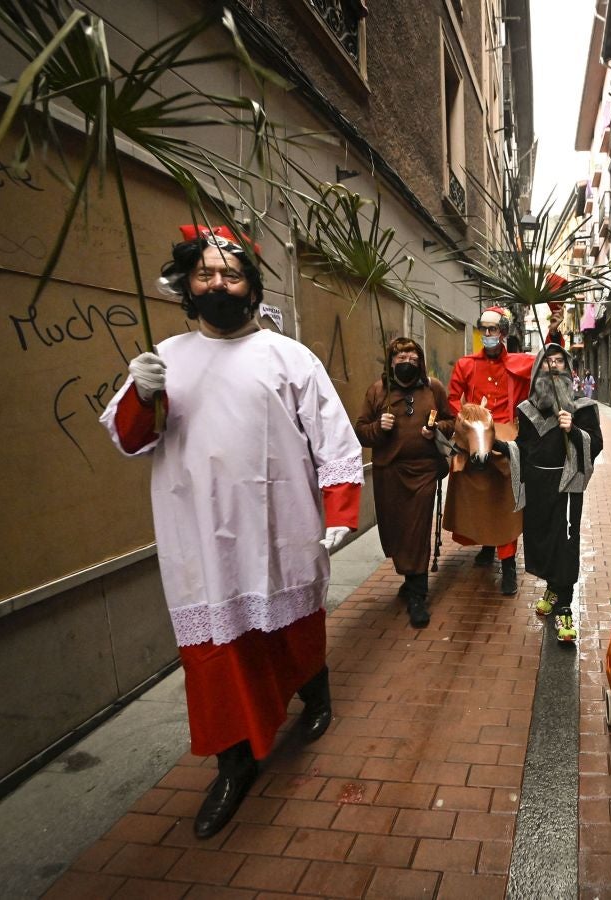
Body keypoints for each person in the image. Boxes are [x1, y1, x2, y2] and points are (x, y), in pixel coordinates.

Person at [100, 225, 362, 840]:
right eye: (206, 274)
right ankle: (232, 764)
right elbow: (131, 438)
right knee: (215, 655)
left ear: (251, 286)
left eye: (232, 274)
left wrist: (340, 513)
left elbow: (335, 442)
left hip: (280, 529)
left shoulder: (289, 357)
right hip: (199, 540)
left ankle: (315, 694)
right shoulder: (164, 358)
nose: (218, 284)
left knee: (294, 633)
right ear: (188, 285)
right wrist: (141, 393)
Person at [354, 337, 454, 627]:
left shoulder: (433, 388)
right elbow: (361, 430)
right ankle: (410, 578)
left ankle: (418, 594)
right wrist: (378, 428)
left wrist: (435, 429)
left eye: (413, 357)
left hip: (423, 471)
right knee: (396, 531)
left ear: (420, 361)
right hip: (389, 473)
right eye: (401, 357)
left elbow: (452, 421)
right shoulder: (377, 391)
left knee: (416, 529)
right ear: (391, 361)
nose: (407, 362)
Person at [508, 344, 603, 643]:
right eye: (548, 361)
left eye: (559, 361)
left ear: (568, 367)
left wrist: (573, 429)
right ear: (538, 369)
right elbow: (521, 448)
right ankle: (552, 586)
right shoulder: (526, 410)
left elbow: (595, 444)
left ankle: (564, 606)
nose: (554, 366)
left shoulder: (583, 408)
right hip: (537, 487)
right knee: (543, 541)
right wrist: (497, 449)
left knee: (565, 544)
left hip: (566, 486)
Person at [447, 305, 535, 593]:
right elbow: (452, 399)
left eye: (493, 329)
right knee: (478, 498)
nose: (487, 334)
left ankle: (508, 565)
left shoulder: (520, 363)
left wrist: (555, 330)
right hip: (474, 437)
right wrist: (468, 423)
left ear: (504, 332)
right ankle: (486, 546)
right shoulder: (466, 364)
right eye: (483, 329)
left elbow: (548, 363)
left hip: (507, 441)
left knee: (505, 503)